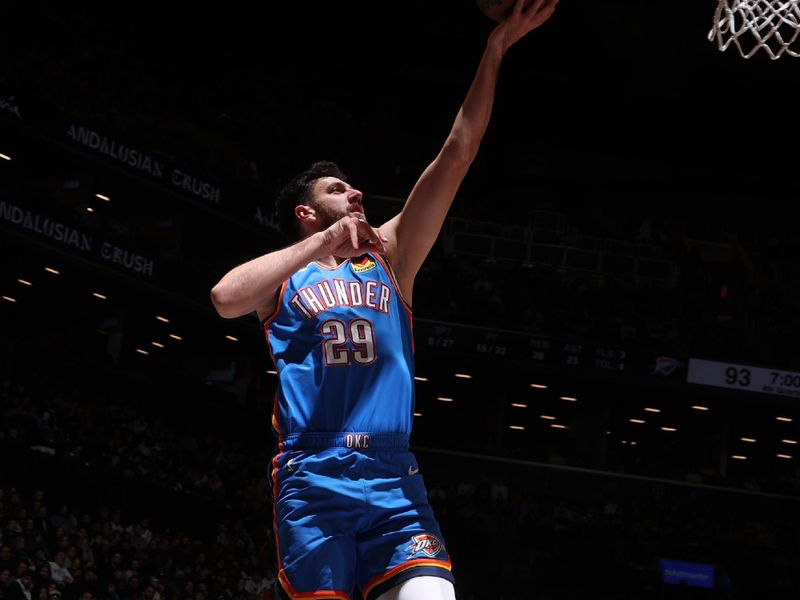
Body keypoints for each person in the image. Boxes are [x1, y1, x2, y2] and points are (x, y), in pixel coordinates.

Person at [210, 1, 559, 599]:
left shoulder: (392, 255)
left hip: (394, 473)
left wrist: (496, 47)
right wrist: (323, 242)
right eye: (337, 189)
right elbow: (223, 298)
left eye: (352, 186)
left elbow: (458, 152)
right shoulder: (283, 279)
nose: (355, 192)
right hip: (313, 475)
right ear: (306, 212)